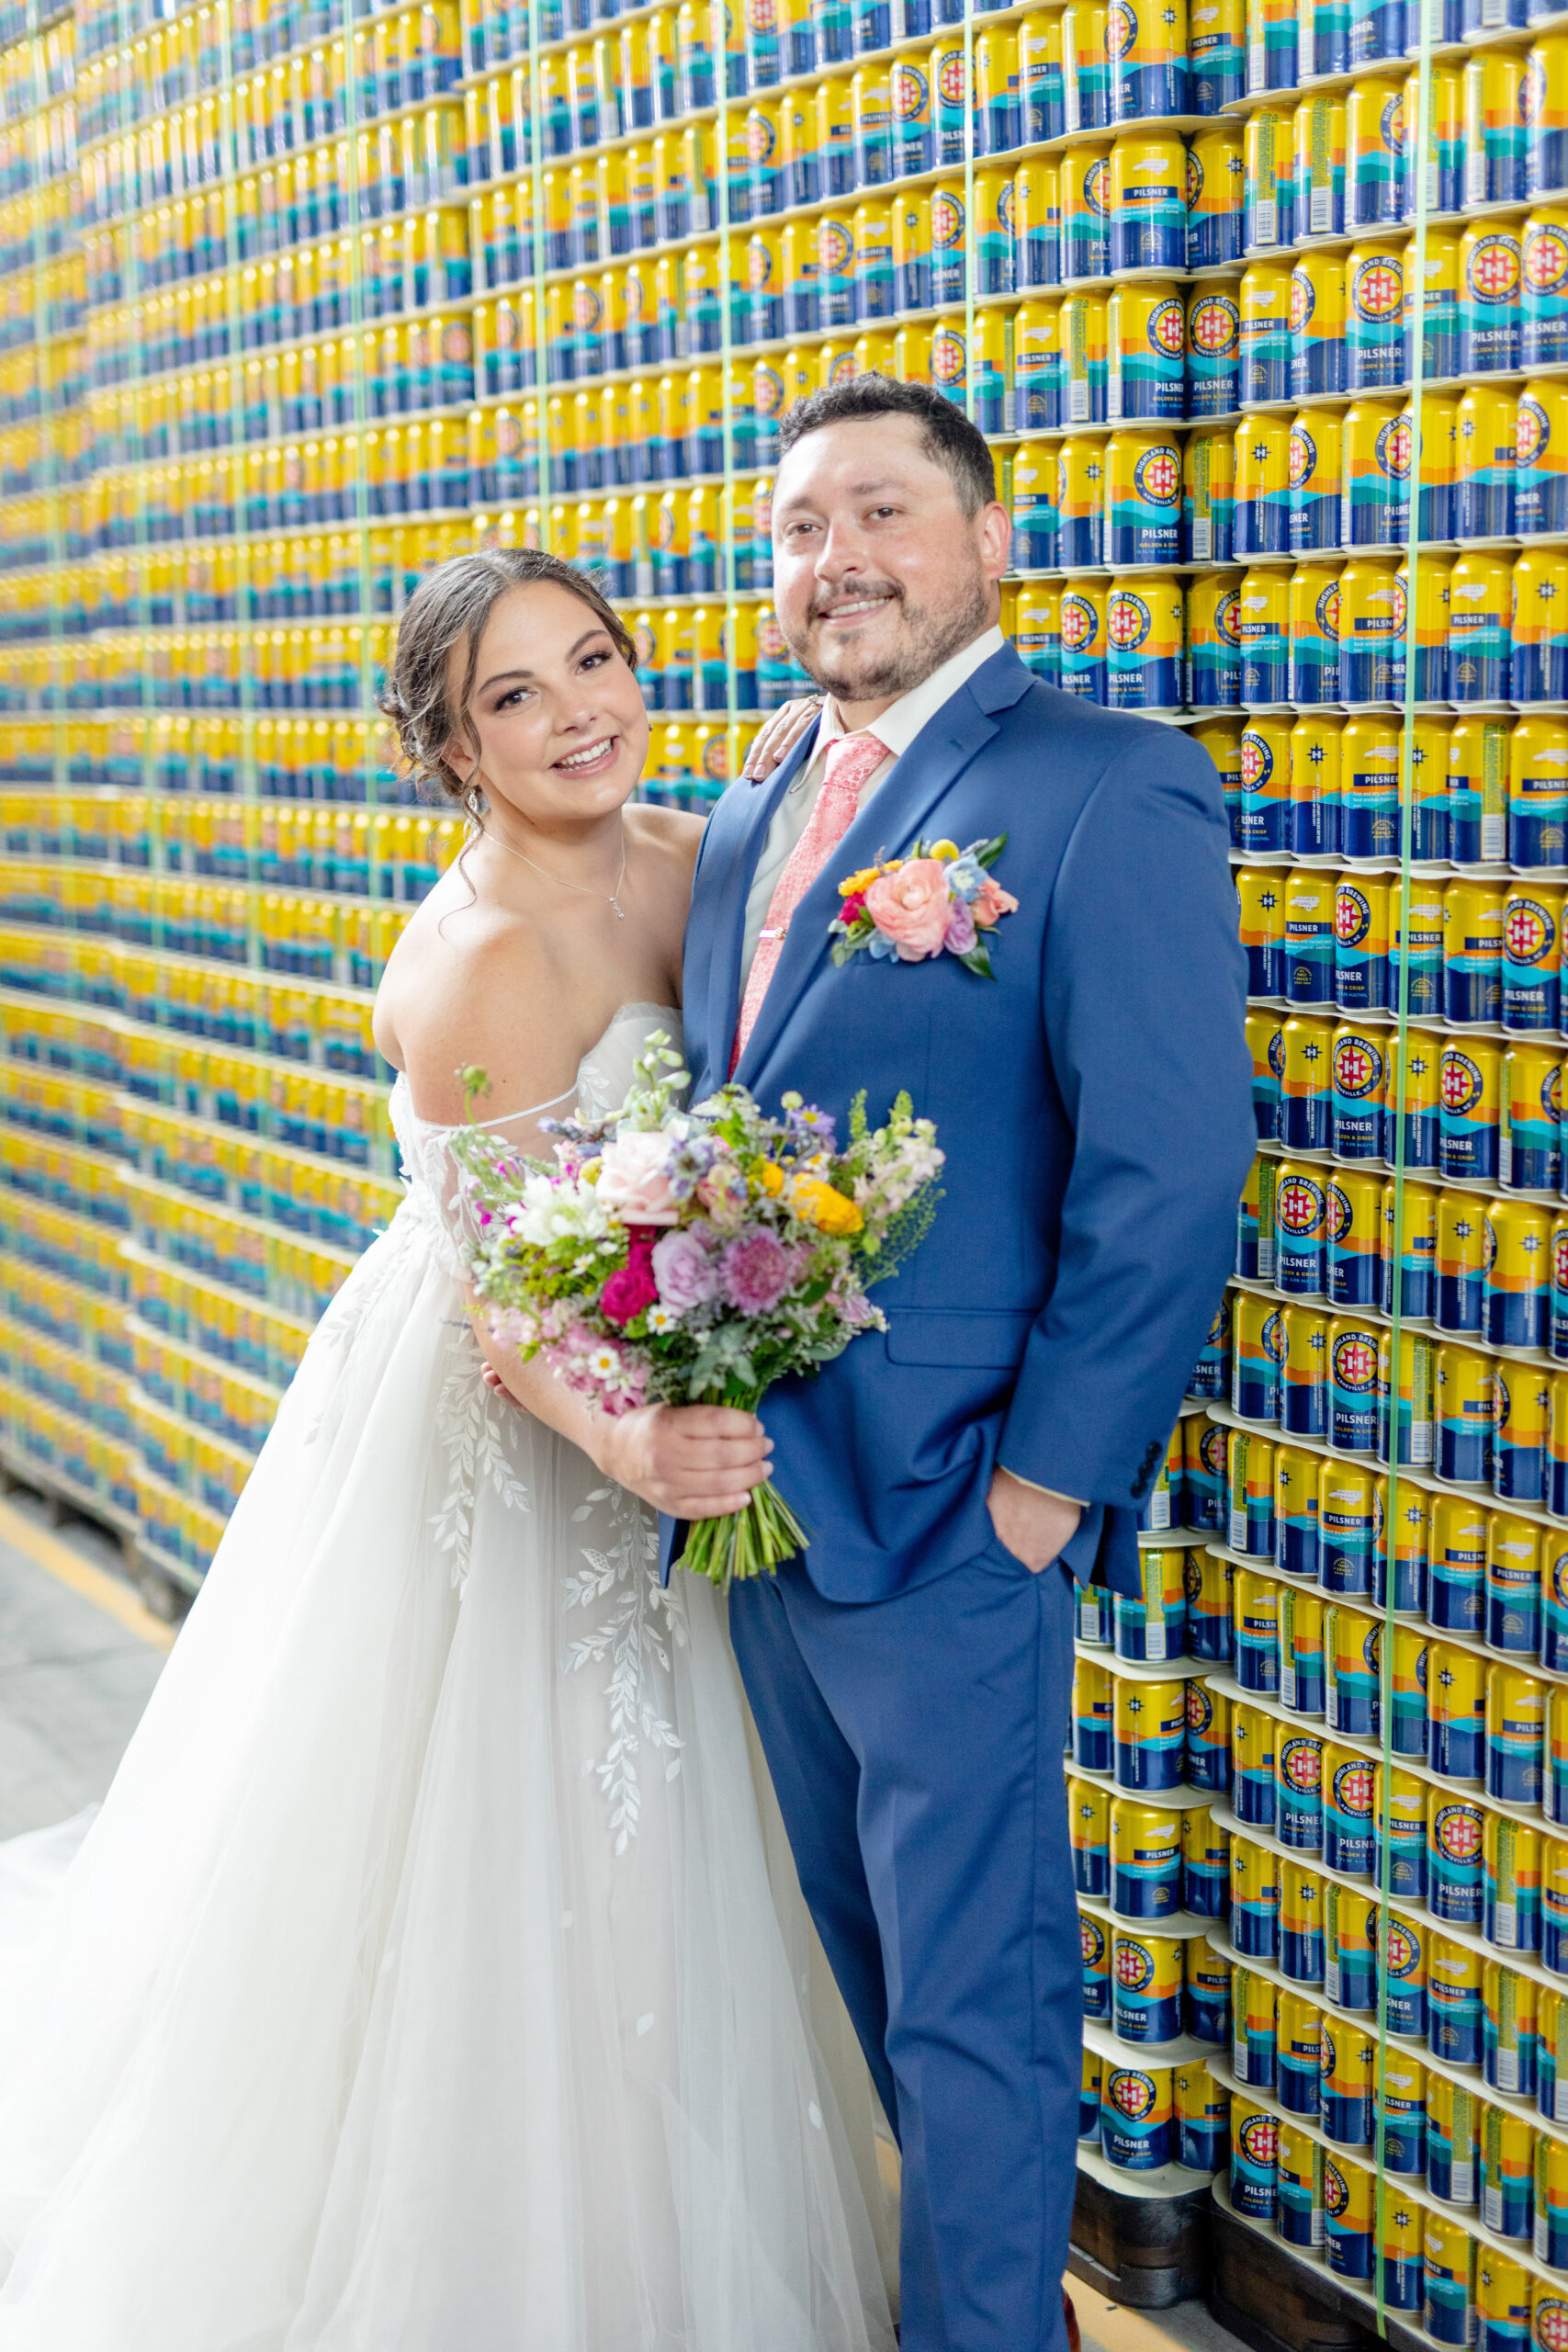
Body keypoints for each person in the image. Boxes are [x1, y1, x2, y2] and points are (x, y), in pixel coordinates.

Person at [0, 548, 896, 2352]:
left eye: (594, 659)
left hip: (664, 1374)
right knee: (544, 1846)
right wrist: (639, 1446)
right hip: (534, 1429)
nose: (578, 710)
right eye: (514, 694)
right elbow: (506, 1313)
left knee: (713, 1851)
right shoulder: (476, 959)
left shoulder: (690, 854)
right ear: (450, 748)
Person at [673, 376, 1256, 2352]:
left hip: (947, 1517)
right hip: (757, 1520)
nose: (833, 559)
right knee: (844, 1978)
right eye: (797, 529)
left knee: (974, 2005)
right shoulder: (755, 798)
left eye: (879, 514)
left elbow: (1166, 1169)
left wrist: (1040, 1489)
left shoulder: (1105, 781)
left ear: (987, 541)